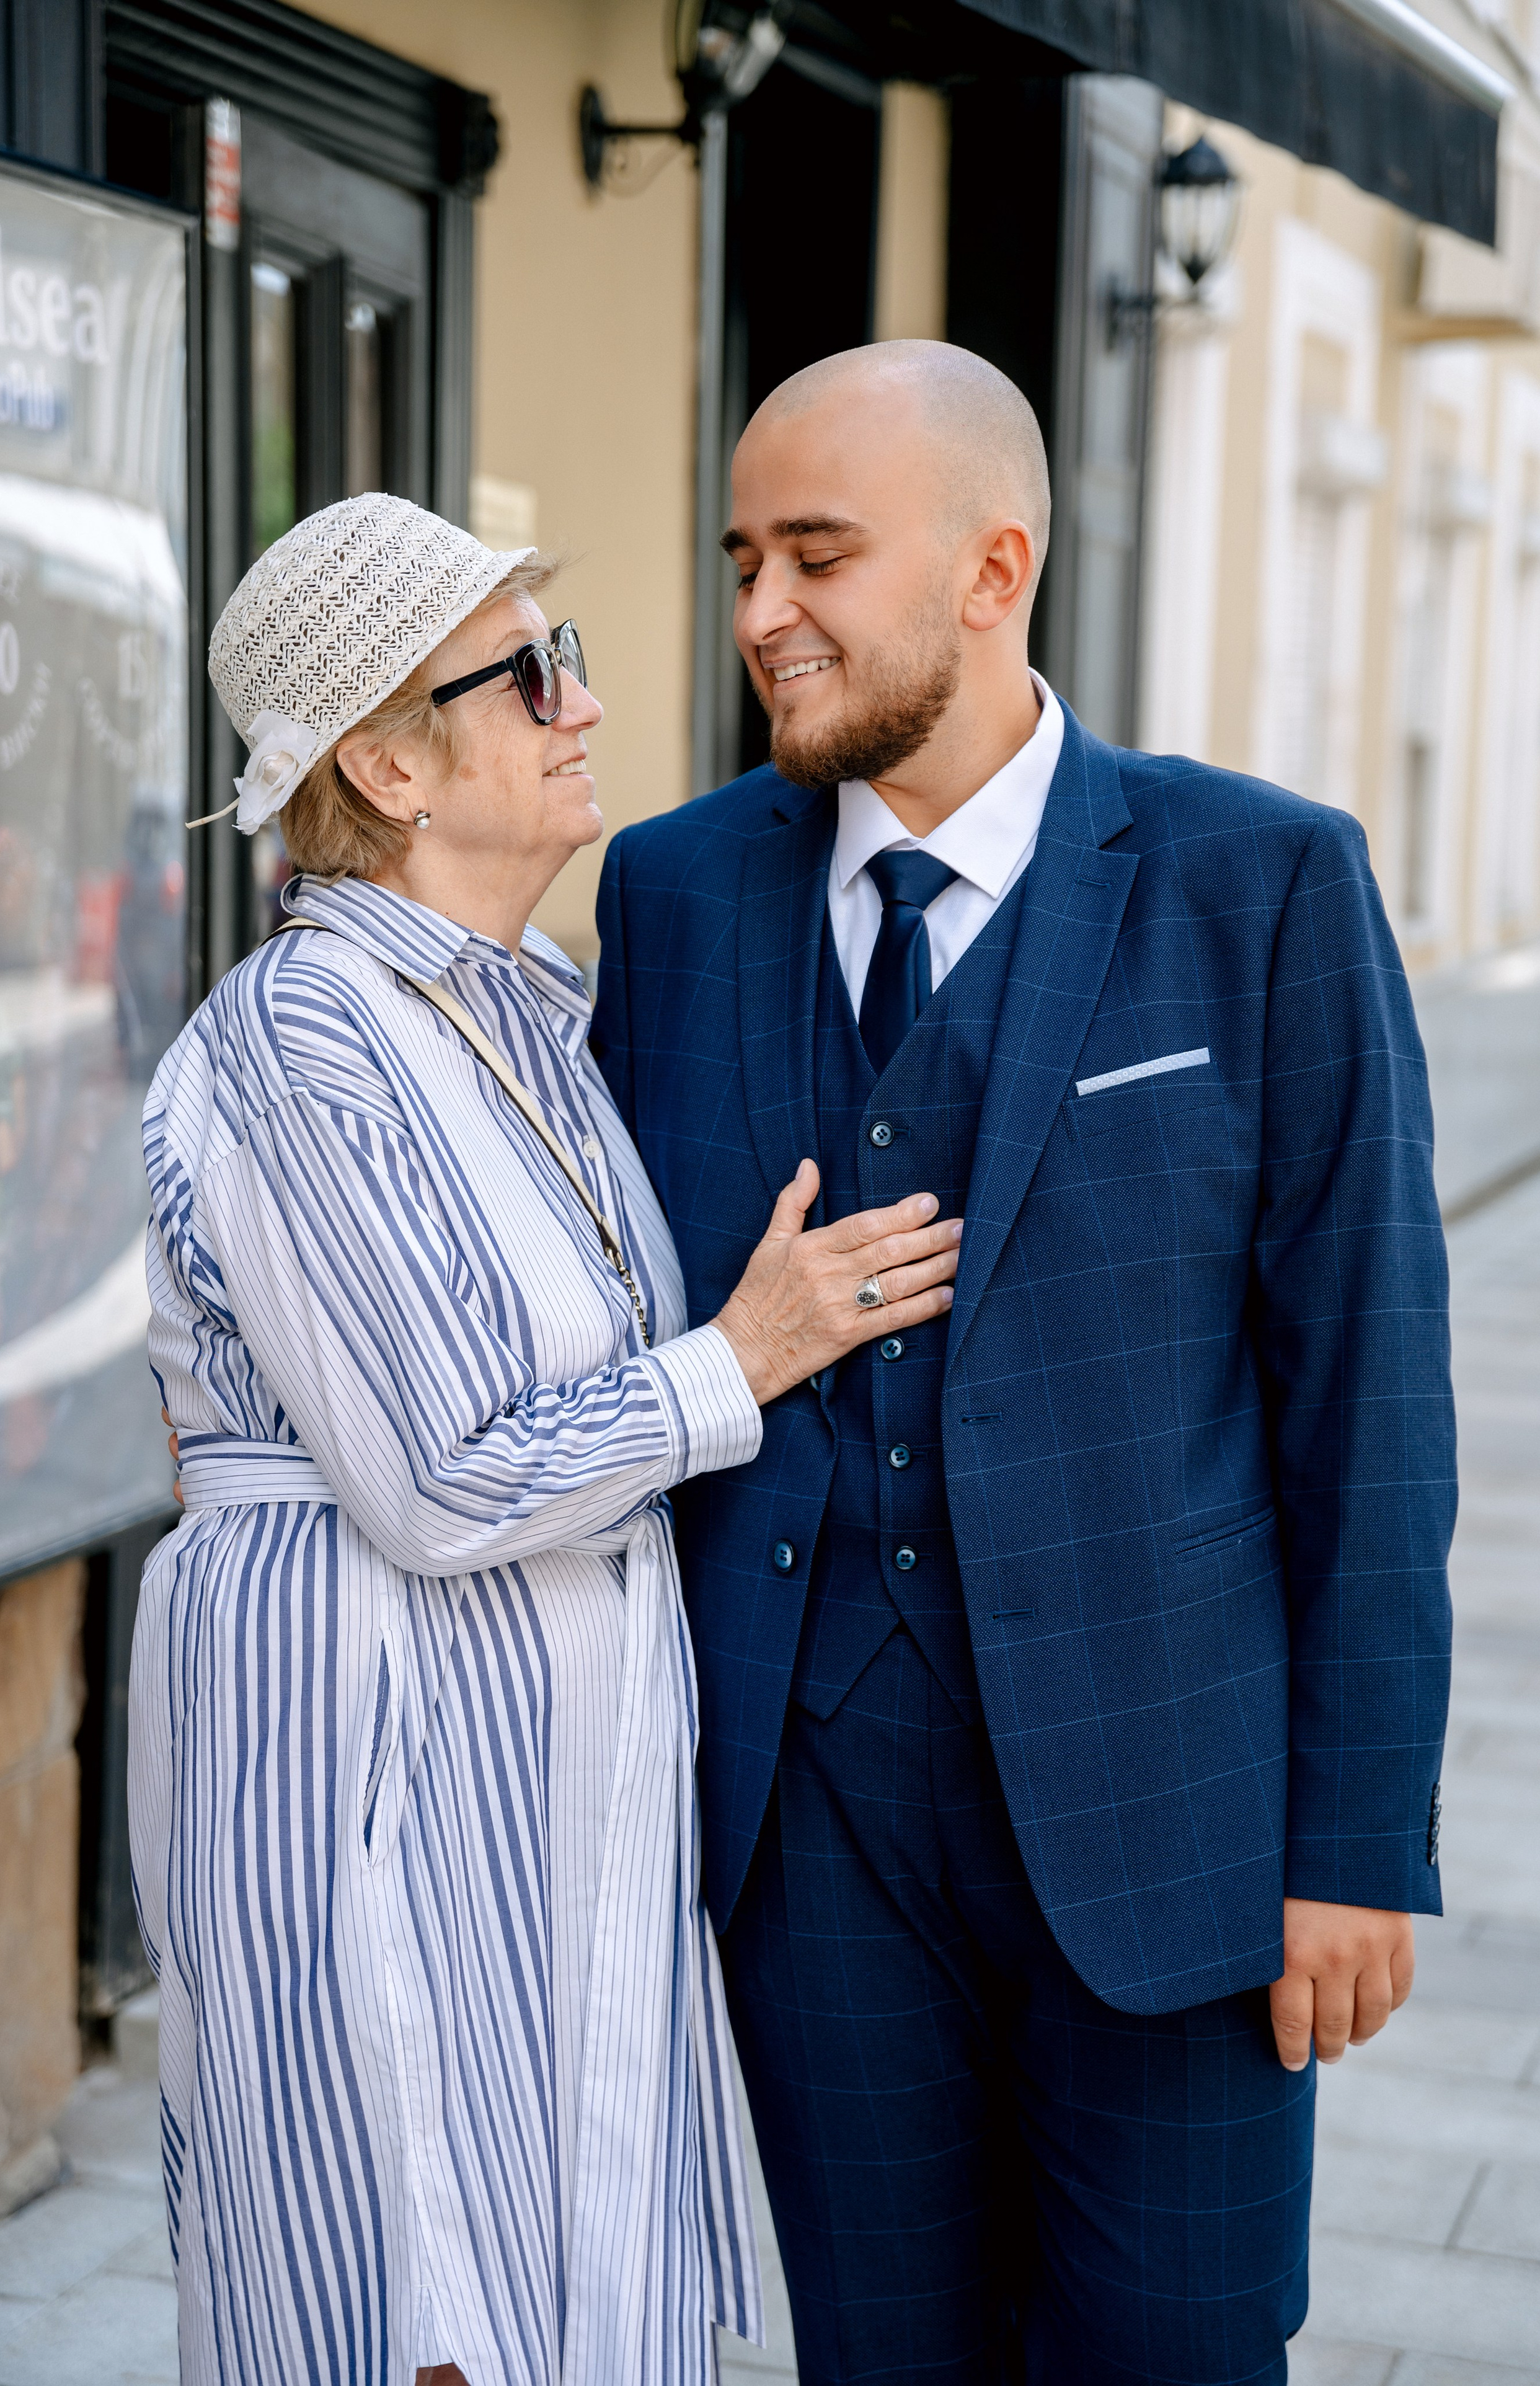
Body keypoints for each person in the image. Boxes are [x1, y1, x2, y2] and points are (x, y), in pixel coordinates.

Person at [589, 343, 1456, 2385]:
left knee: (1176, 2349)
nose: (756, 616)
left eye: (815, 555)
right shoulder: (675, 889)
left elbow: (1372, 1402)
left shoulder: (1263, 883)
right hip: (811, 1831)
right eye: (740, 560)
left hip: (1179, 1830)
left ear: (996, 568)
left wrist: (1355, 1847)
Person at [129, 492, 962, 2386]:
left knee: (567, 2295)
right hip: (361, 1770)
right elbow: (435, 1479)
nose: (584, 705)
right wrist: (746, 1351)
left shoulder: (535, 1024)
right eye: (531, 674)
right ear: (388, 759)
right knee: (402, 2305)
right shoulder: (304, 1036)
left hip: (536, 1795)